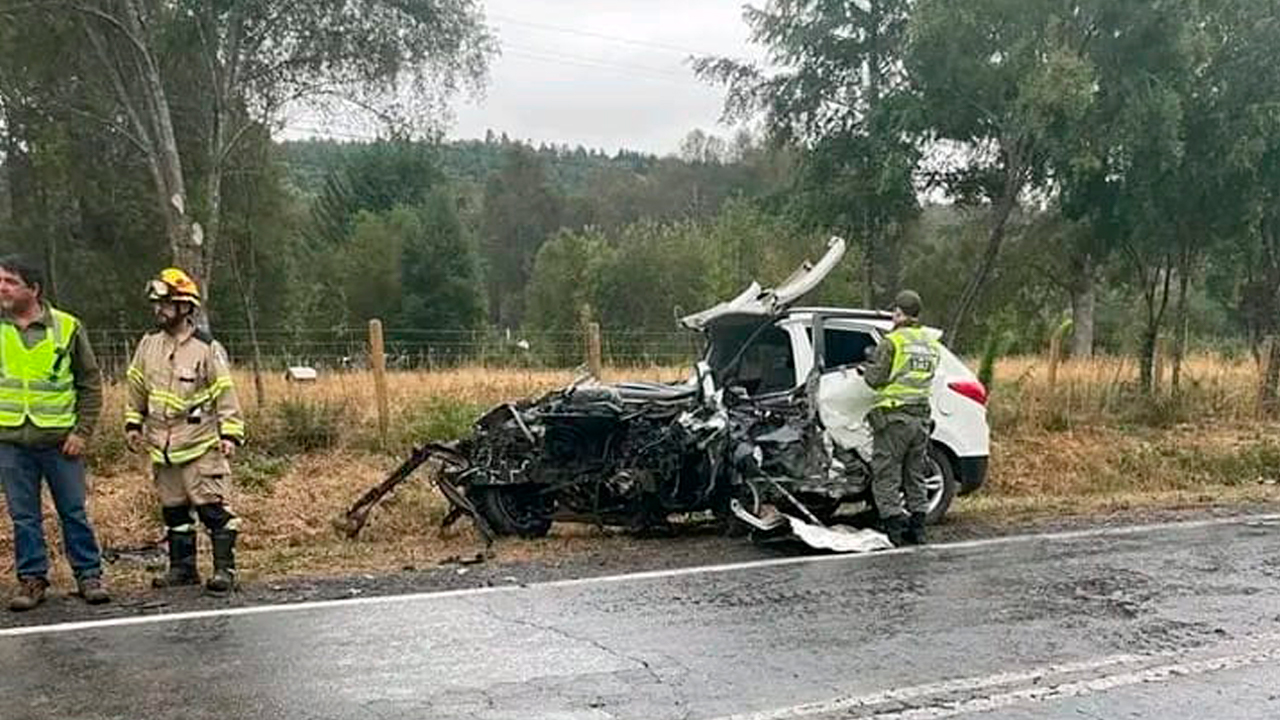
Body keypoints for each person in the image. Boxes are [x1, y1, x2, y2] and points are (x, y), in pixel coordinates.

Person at [124, 268, 245, 594]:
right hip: (162, 446)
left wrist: (230, 434)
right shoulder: (148, 345)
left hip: (200, 443)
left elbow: (225, 393)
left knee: (213, 509)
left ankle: (225, 571)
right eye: (157, 304)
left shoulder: (206, 349)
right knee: (174, 510)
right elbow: (136, 387)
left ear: (184, 307)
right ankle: (182, 568)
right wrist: (133, 423)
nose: (158, 311)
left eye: (165, 304)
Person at [0, 255, 109, 610]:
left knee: (73, 511)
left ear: (33, 289)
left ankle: (88, 575)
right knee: (24, 516)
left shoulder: (67, 327)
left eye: (10, 281)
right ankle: (32, 580)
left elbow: (90, 383)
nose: (2, 287)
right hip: (12, 442)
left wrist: (82, 431)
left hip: (61, 442)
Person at [861, 290, 942, 547]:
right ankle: (918, 530)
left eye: (894, 312)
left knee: (886, 474)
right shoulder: (931, 344)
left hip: (895, 418)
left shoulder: (893, 342)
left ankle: (893, 530)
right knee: (914, 474)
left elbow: (875, 379)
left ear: (898, 313)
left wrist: (866, 369)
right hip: (921, 419)